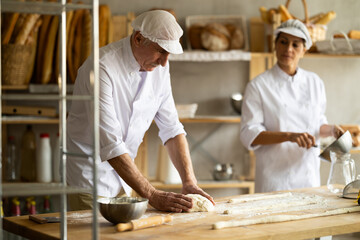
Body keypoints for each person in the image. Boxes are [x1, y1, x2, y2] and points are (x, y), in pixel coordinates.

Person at [66, 10, 214, 212]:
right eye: (161, 51)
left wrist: (189, 182)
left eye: (169, 54)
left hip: (125, 181)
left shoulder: (160, 67)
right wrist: (152, 195)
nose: (164, 61)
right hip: (89, 179)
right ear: (138, 38)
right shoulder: (101, 67)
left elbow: (172, 129)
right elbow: (111, 144)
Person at [240, 19, 344, 193]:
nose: (288, 49)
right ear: (275, 45)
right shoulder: (258, 85)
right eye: (283, 42)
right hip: (273, 181)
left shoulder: (314, 82)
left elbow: (316, 125)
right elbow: (249, 134)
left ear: (304, 50)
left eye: (296, 45)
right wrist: (289, 136)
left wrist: (332, 130)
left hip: (309, 177)